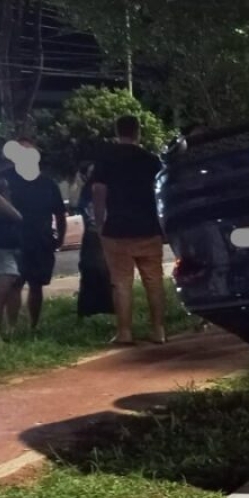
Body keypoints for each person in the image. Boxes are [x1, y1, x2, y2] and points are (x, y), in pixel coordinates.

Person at [91, 115, 166, 345]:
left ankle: (124, 332)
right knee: (154, 281)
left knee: (121, 283)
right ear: (138, 132)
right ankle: (159, 331)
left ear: (117, 131)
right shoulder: (152, 160)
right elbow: (161, 193)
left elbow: (97, 190)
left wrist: (99, 221)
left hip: (117, 228)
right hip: (149, 228)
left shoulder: (106, 159)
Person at [0, 138, 67, 332]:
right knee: (14, 284)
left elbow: (60, 214)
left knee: (36, 285)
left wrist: (60, 238)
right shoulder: (3, 179)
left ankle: (32, 327)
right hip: (12, 241)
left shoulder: (47, 183)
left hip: (41, 241)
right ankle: (11, 328)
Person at [75, 161, 115, 318]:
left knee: (98, 271)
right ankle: (101, 308)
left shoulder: (89, 190)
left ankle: (96, 309)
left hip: (95, 234)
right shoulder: (96, 188)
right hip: (97, 235)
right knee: (99, 271)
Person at [0, 169, 23, 336]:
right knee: (0, 292)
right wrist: (5, 198)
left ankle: (1, 331)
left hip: (1, 248)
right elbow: (17, 215)